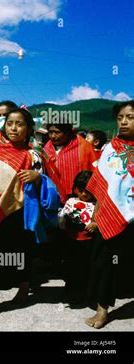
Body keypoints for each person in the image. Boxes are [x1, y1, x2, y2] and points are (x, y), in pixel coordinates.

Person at [0, 108, 63, 322]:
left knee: (22, 251)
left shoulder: (34, 155)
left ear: (29, 129)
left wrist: (36, 177)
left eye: (19, 124)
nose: (13, 127)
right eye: (9, 123)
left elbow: (50, 185)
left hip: (22, 213)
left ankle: (23, 288)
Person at [84, 101, 134, 329]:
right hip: (111, 214)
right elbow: (103, 185)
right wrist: (96, 214)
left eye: (130, 117)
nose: (124, 122)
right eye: (120, 117)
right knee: (105, 263)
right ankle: (102, 309)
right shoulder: (110, 148)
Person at [58, 170, 96, 303]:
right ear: (75, 189)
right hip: (72, 240)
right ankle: (71, 290)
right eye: (81, 190)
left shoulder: (96, 205)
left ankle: (86, 292)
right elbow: (62, 219)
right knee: (71, 266)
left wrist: (94, 224)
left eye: (88, 191)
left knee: (86, 267)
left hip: (88, 241)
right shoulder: (71, 202)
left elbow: (100, 220)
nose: (84, 194)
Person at [44, 122, 97, 198]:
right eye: (50, 132)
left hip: (79, 195)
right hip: (53, 195)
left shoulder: (83, 146)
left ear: (67, 132)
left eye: (57, 132)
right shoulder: (47, 148)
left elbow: (95, 169)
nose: (53, 136)